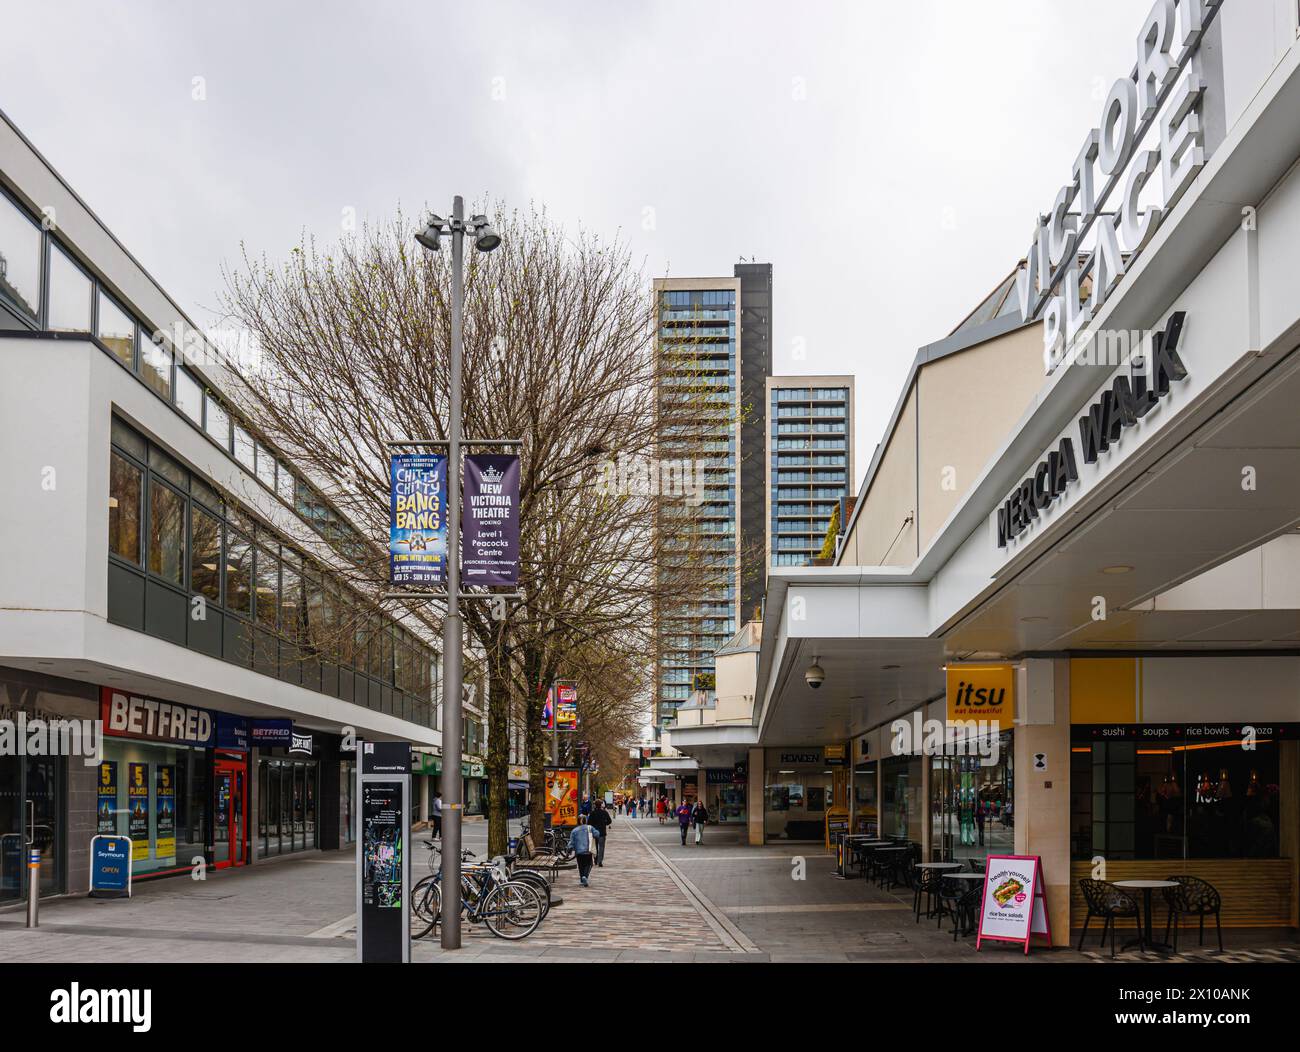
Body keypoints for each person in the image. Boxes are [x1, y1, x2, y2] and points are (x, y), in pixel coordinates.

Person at [570, 815, 597, 886]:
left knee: (580, 865)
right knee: (588, 864)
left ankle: (582, 879)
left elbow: (571, 842)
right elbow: (597, 834)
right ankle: (585, 876)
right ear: (586, 820)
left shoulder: (574, 830)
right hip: (588, 850)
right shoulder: (590, 828)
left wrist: (569, 849)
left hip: (578, 851)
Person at [589, 799, 612, 866]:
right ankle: (600, 861)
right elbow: (609, 821)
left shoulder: (592, 813)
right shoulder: (604, 812)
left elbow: (589, 823)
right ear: (601, 805)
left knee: (594, 847)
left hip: (594, 832)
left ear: (595, 805)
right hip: (602, 832)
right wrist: (605, 823)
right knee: (601, 847)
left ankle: (595, 859)